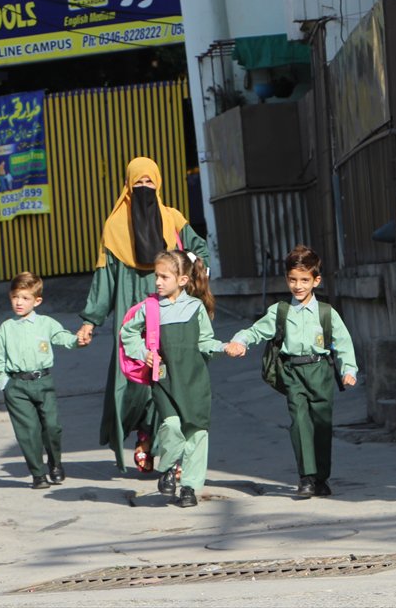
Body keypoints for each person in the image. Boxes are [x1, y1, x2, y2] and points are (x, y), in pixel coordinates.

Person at [76, 157, 209, 473]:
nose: (144, 188)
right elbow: (104, 276)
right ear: (127, 186)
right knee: (135, 378)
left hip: (168, 309)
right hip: (130, 311)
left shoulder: (172, 218)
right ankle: (143, 435)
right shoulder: (114, 226)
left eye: (150, 183)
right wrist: (90, 320)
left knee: (167, 377)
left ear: (159, 184)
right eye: (138, 183)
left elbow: (199, 252)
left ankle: (161, 446)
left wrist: (184, 270)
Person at [229, 245, 358, 498]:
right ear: (287, 279)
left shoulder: (326, 312)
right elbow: (256, 330)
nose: (298, 286)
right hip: (293, 371)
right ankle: (306, 478)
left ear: (316, 280)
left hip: (320, 371)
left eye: (304, 280)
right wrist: (240, 341)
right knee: (299, 423)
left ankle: (321, 477)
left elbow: (343, 341)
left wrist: (349, 369)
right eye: (292, 279)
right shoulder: (280, 311)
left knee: (322, 426)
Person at [121, 250, 244, 507]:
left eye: (164, 277)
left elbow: (206, 341)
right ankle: (167, 468)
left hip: (195, 381)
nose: (158, 282)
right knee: (172, 427)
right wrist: (144, 353)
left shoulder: (196, 307)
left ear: (183, 280)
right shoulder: (150, 308)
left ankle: (189, 487)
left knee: (197, 434)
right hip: (165, 381)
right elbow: (127, 332)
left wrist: (225, 347)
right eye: (157, 276)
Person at [0, 272, 89, 489]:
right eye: (16, 297)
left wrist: (77, 341)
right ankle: (38, 475)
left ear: (37, 301)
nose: (19, 302)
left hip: (42, 382)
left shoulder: (46, 323)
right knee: (28, 432)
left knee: (52, 427)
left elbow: (62, 337)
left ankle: (55, 463)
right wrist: (5, 384)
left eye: (25, 298)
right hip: (17, 386)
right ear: (10, 296)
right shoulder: (6, 328)